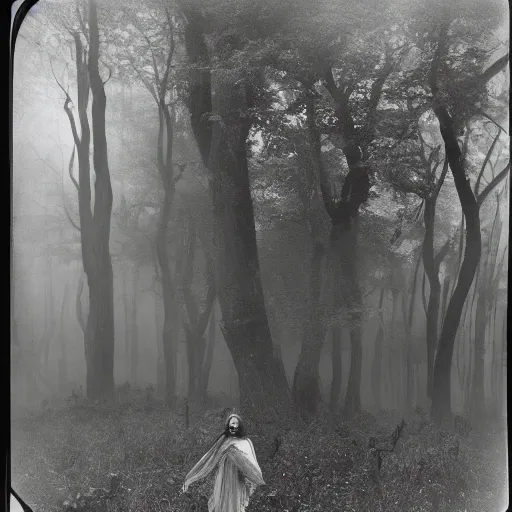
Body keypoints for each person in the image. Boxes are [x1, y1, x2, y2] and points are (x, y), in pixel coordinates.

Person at [182, 413, 265, 511]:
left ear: (240, 426)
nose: (234, 426)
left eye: (236, 424)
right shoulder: (223, 440)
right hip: (223, 478)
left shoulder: (245, 442)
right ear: (228, 425)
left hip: (237, 479)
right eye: (232, 423)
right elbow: (209, 458)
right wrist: (191, 478)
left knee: (235, 505)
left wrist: (256, 480)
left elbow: (252, 464)